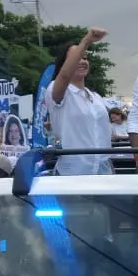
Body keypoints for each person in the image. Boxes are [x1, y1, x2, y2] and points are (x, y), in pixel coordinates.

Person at [45, 27, 113, 175]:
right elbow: (63, 77)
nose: (82, 61)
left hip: (102, 172)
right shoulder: (56, 91)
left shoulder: (96, 98)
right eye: (77, 57)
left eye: (85, 57)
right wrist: (86, 41)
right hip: (72, 175)